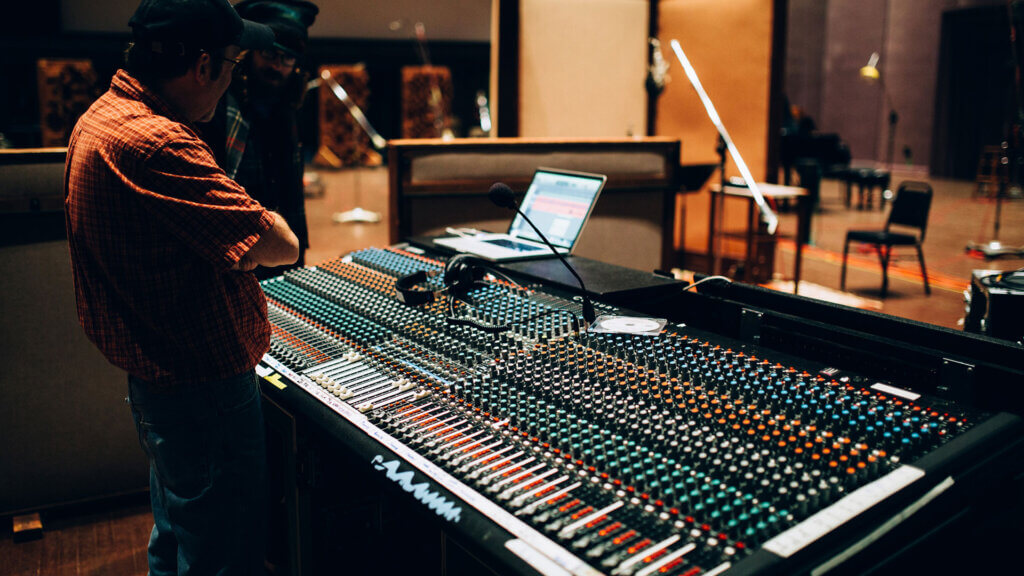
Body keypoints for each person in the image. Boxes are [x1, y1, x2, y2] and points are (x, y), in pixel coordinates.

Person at [63, 0, 299, 573]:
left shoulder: (102, 115)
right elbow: (280, 244)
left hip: (162, 379)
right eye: (232, 66)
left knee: (178, 531)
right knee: (225, 552)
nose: (231, 81)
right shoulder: (158, 143)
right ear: (201, 66)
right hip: (203, 385)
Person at [203, 0, 319, 279]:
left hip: (281, 249)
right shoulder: (217, 106)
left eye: (287, 59)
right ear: (249, 54)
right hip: (234, 253)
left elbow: (291, 194)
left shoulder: (288, 108)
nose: (277, 66)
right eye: (269, 54)